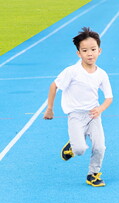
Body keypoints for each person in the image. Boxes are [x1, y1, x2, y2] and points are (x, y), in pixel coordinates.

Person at [43, 27, 113, 187]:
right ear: (78, 53)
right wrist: (49, 108)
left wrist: (100, 109)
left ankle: (93, 174)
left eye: (93, 49)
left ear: (99, 51)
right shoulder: (72, 71)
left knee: (100, 146)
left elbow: (109, 98)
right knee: (80, 149)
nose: (90, 53)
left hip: (93, 115)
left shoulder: (102, 74)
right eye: (85, 50)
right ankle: (72, 147)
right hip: (75, 115)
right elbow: (54, 86)